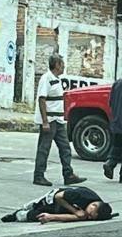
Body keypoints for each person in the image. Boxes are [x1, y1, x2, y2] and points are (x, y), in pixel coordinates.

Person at [32, 54, 85, 187]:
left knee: (65, 148)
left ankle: (68, 174)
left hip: (58, 120)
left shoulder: (57, 79)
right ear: (56, 65)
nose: (64, 66)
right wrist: (45, 121)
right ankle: (39, 175)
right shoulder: (46, 78)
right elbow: (42, 99)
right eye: (62, 64)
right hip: (50, 120)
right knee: (44, 148)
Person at [0, 186, 114, 223]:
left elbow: (79, 217)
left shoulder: (96, 210)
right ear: (93, 205)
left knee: (35, 216)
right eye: (90, 214)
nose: (88, 216)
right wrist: (75, 211)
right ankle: (16, 214)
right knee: (34, 207)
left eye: (91, 217)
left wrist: (51, 217)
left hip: (64, 209)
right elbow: (58, 197)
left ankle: (19, 215)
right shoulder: (82, 195)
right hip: (54, 198)